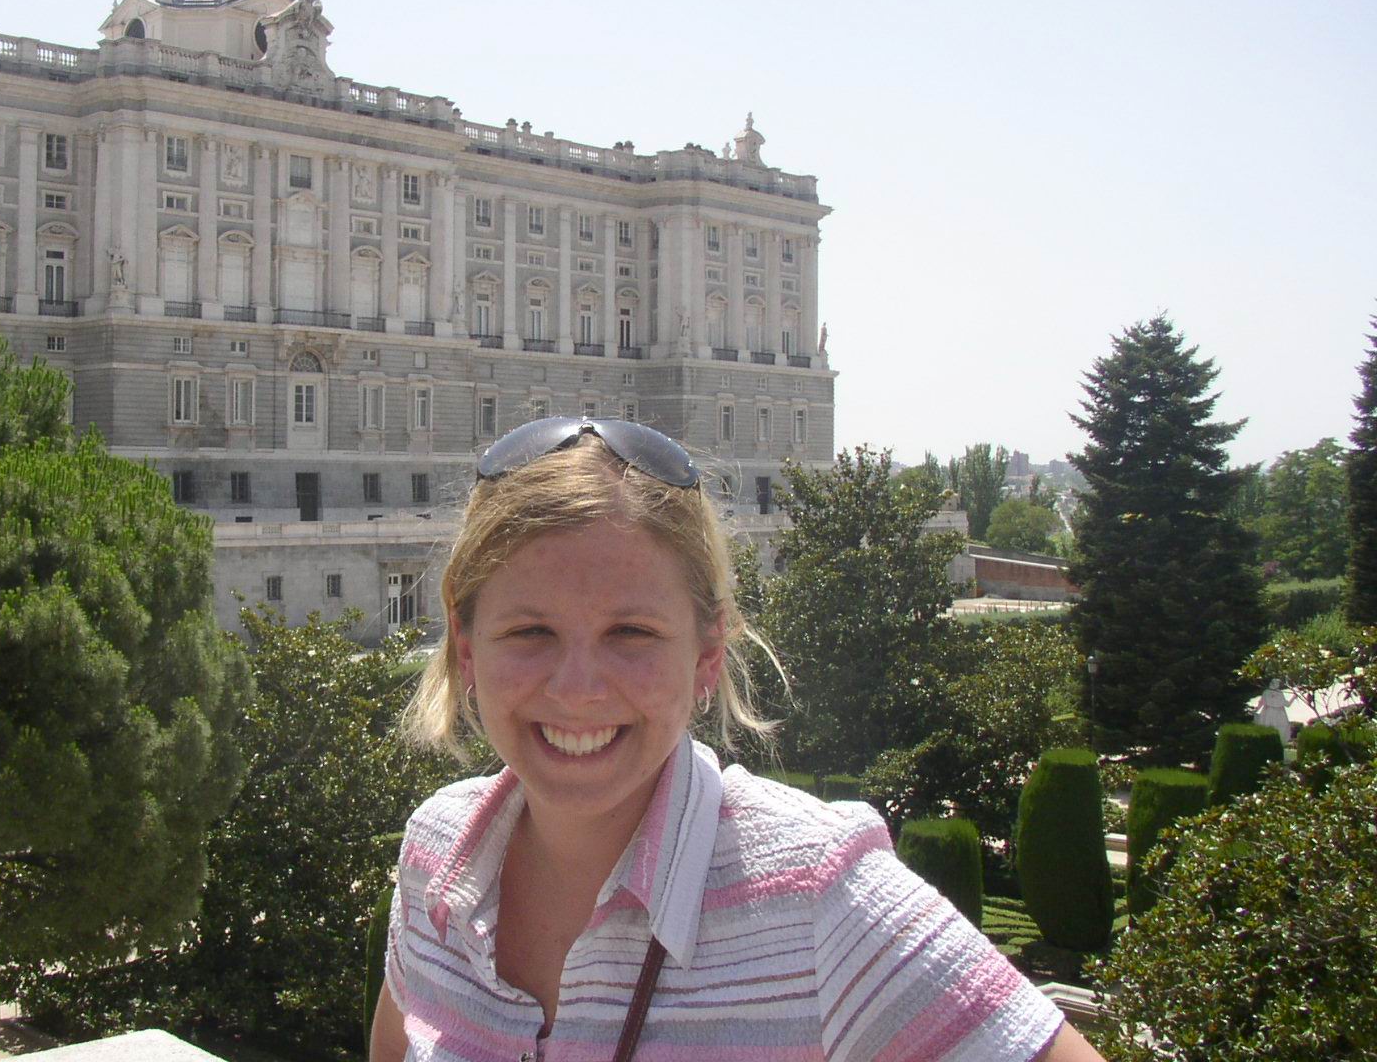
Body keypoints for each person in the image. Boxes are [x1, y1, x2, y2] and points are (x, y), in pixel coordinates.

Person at [371, 417, 1104, 1062]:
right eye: (530, 631)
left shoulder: (819, 898)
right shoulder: (434, 855)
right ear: (467, 650)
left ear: (708, 653)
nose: (578, 688)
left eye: (631, 633)